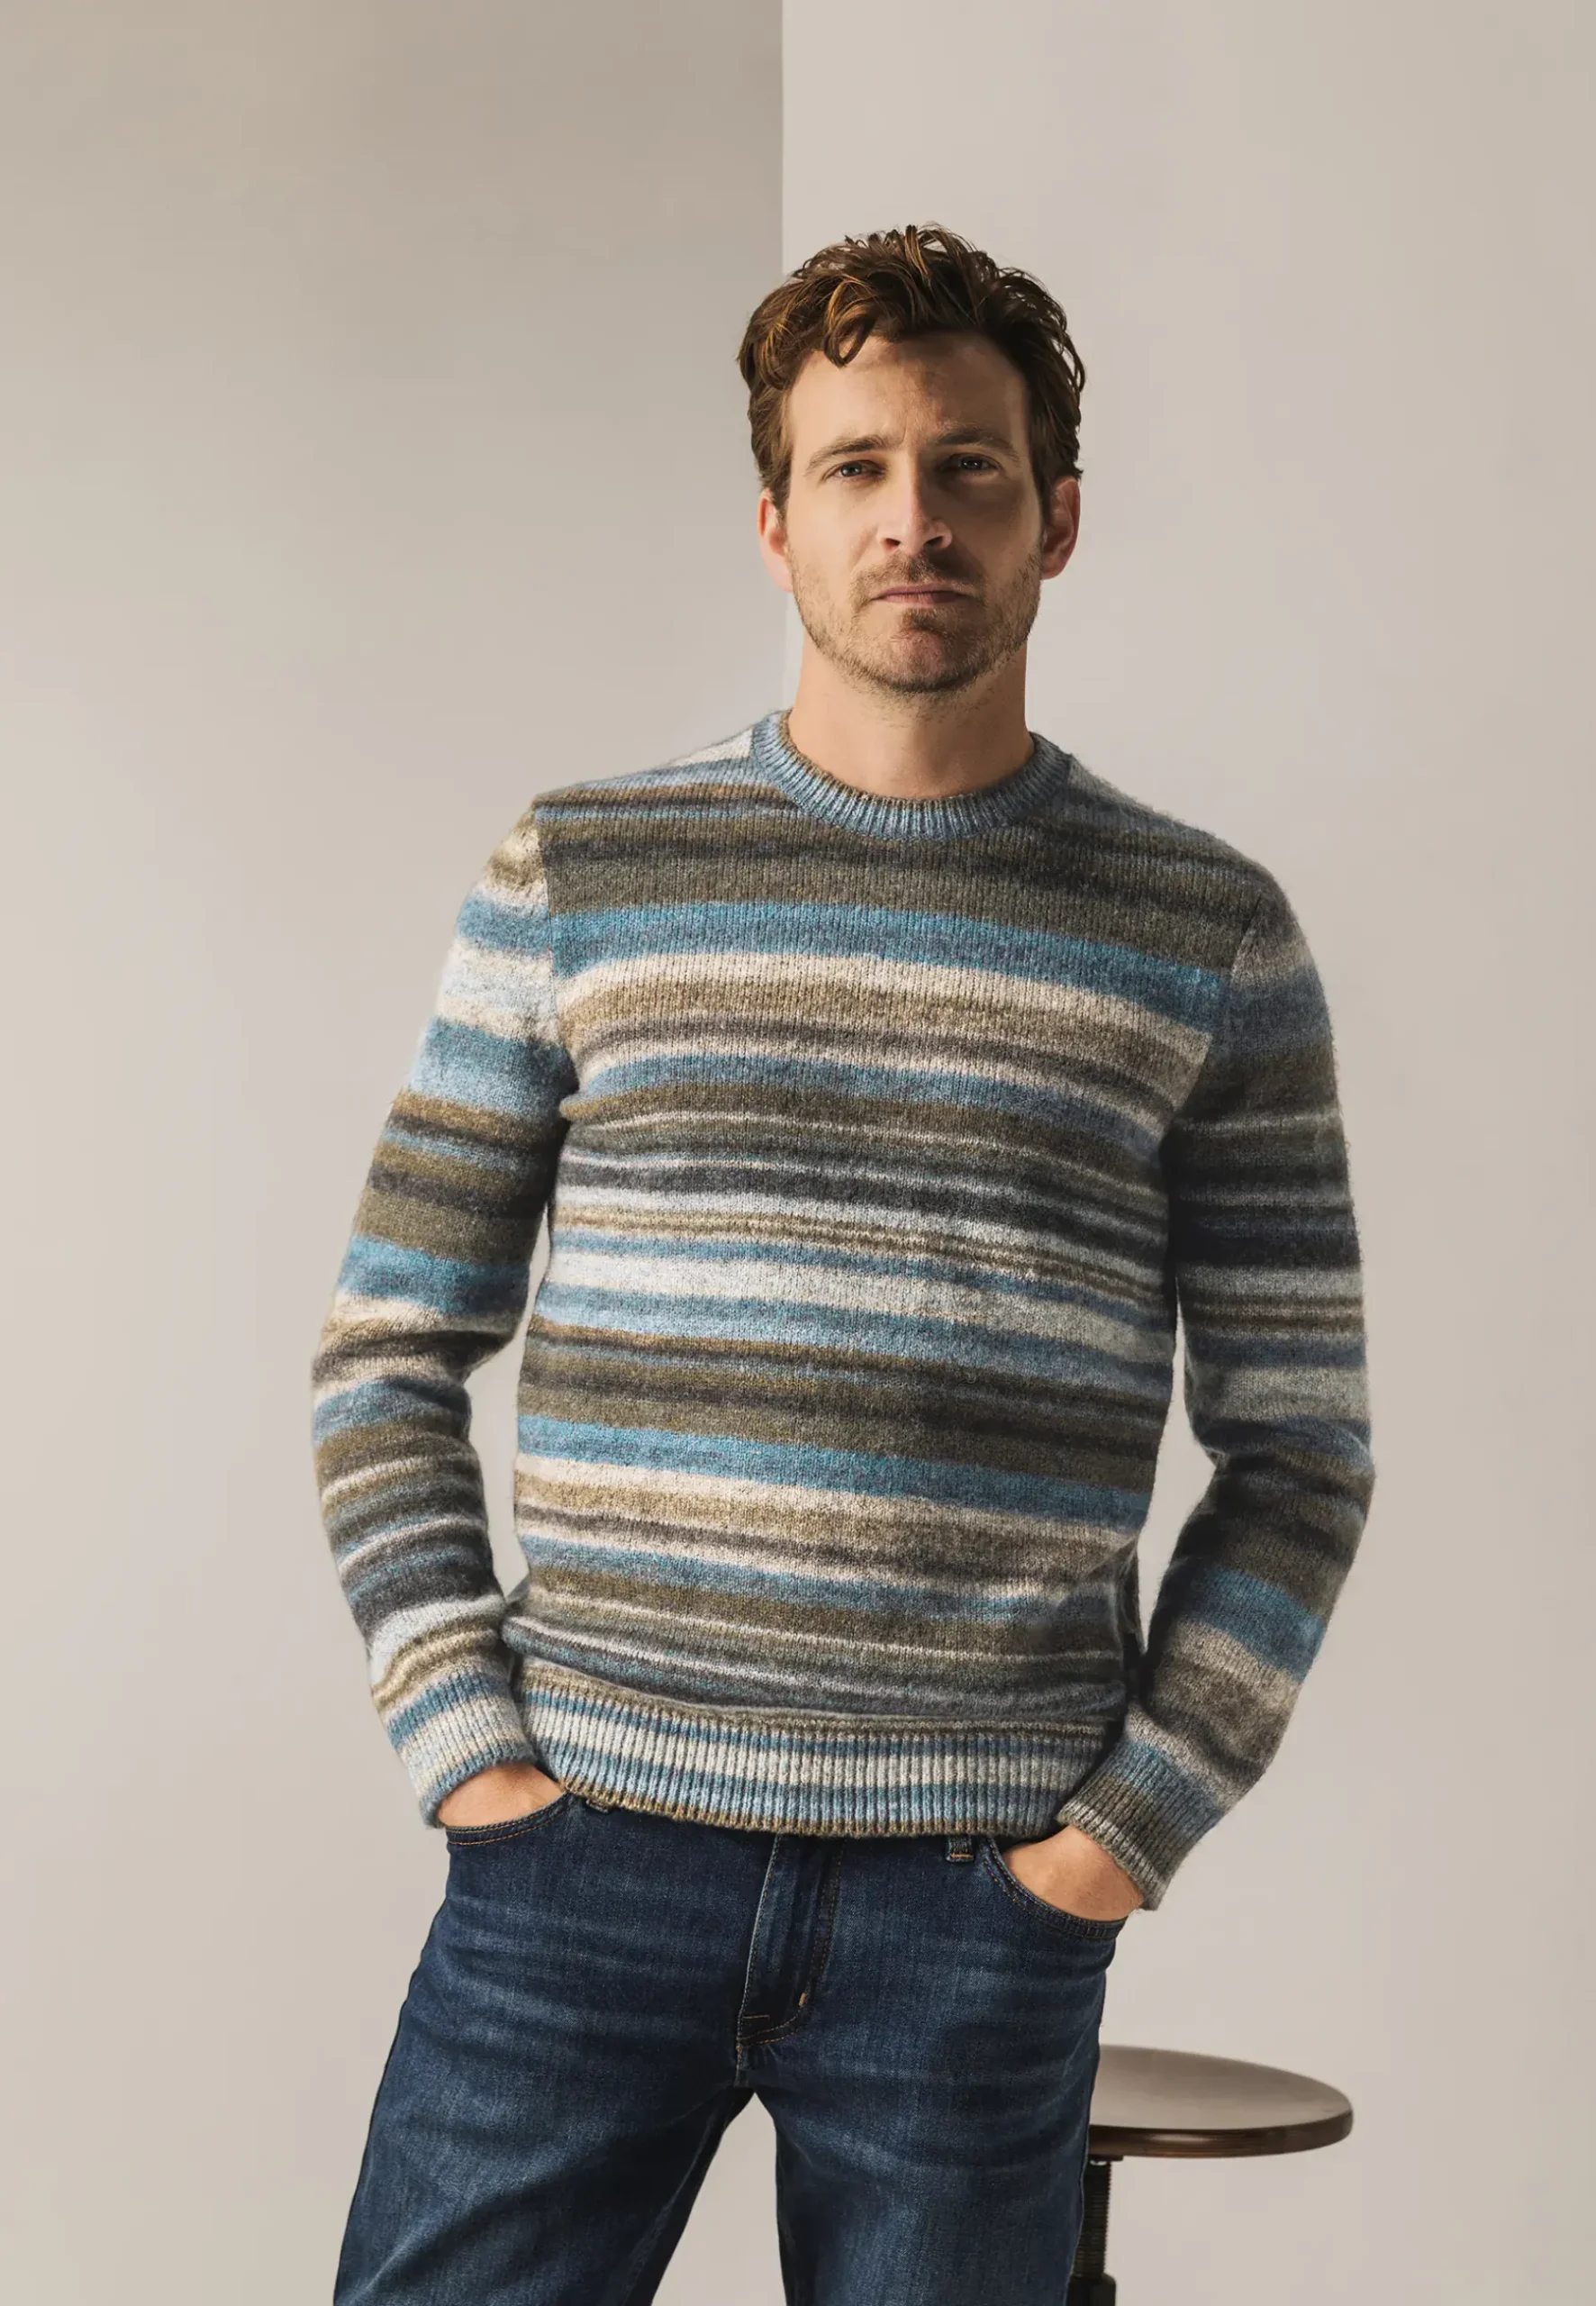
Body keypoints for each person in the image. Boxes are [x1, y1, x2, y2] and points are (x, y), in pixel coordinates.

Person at [312, 220, 1375, 2304]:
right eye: (856, 468)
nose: (914, 519)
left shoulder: (1205, 935)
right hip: (576, 1857)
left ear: (1056, 518)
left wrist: (1112, 1841)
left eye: (969, 467)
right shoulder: (581, 871)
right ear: (775, 524)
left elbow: (1301, 1448)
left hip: (971, 1909)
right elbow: (385, 1350)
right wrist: (470, 1754)